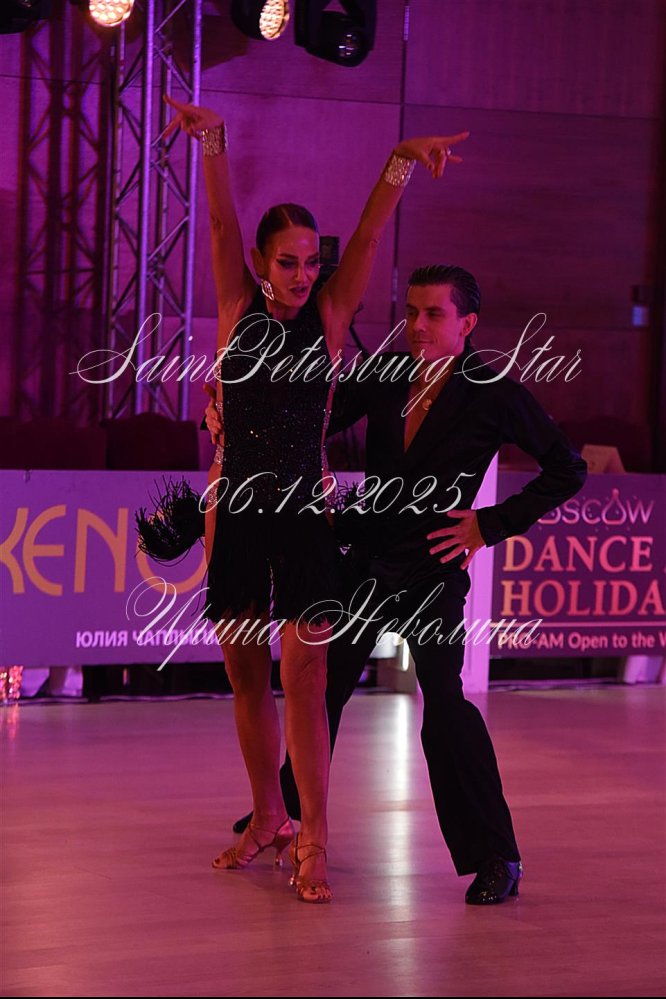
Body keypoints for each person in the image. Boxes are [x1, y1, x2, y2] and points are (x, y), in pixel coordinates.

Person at [161, 95, 470, 903]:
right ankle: (268, 815)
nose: (303, 274)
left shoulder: (329, 316)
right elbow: (220, 224)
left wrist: (400, 161)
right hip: (234, 512)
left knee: (305, 675)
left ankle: (315, 837)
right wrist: (212, 141)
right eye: (289, 261)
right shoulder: (236, 308)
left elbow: (366, 237)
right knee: (245, 676)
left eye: (309, 261)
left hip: (303, 514)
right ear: (261, 262)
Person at [205, 263, 588, 904]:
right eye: (411, 312)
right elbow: (306, 415)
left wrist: (488, 525)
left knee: (445, 707)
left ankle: (497, 857)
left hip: (433, 569)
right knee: (318, 688)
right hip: (367, 559)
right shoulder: (385, 376)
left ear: (467, 323)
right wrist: (230, 415)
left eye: (434, 314)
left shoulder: (493, 391)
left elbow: (566, 468)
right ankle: (281, 812)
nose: (417, 326)